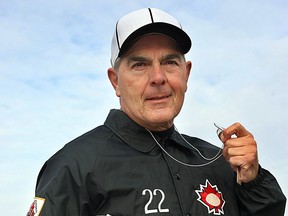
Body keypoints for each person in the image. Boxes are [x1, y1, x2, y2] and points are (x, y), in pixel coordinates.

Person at [27, 8, 286, 216]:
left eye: (170, 62)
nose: (158, 77)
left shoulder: (219, 162)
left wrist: (252, 182)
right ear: (115, 81)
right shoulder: (73, 166)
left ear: (186, 74)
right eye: (140, 64)